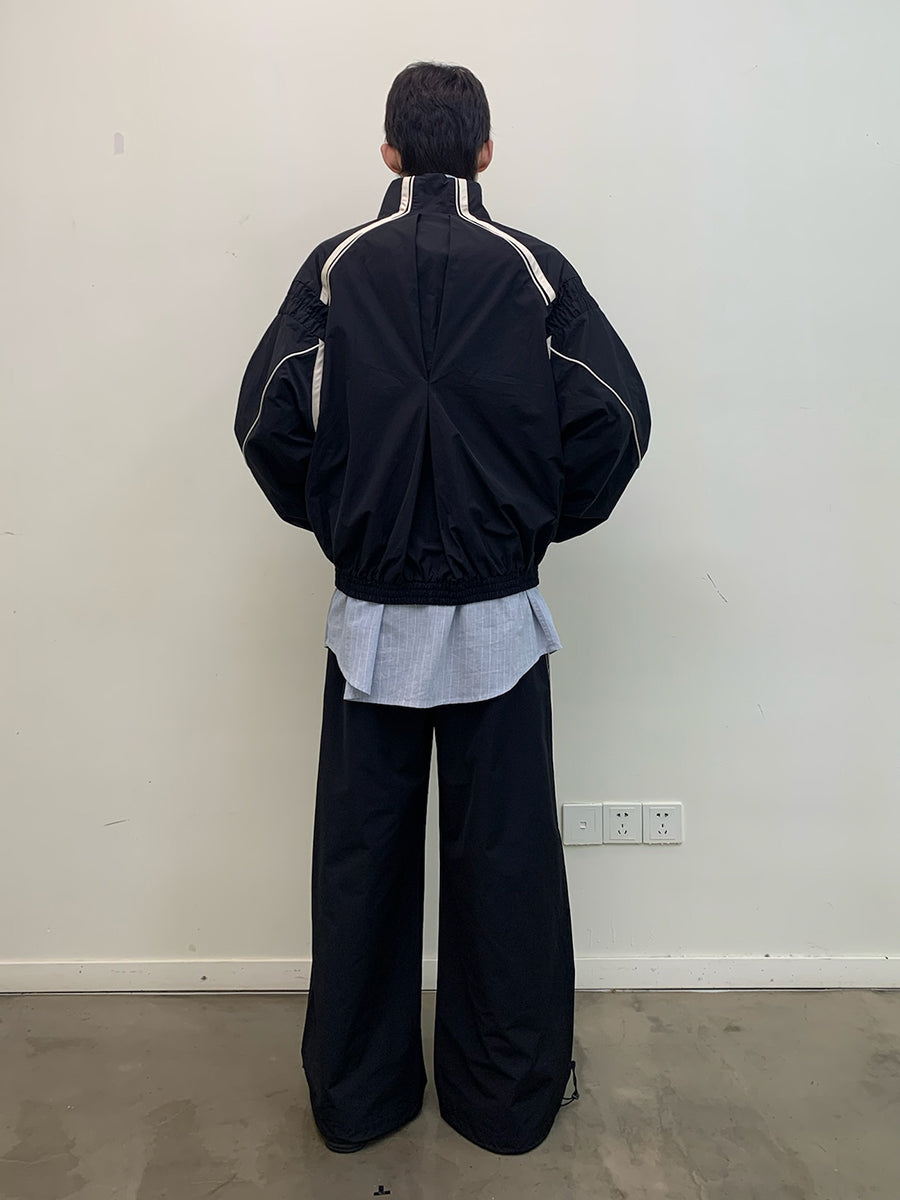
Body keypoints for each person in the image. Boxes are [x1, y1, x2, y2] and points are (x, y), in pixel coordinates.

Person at [234, 60, 650, 1156]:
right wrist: (529, 528)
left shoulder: (335, 270)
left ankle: (356, 1099)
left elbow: (267, 421)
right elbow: (618, 418)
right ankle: (506, 1099)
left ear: (387, 152)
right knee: (505, 860)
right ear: (486, 150)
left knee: (360, 861)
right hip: (497, 615)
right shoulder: (532, 269)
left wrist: (344, 521)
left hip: (371, 617)